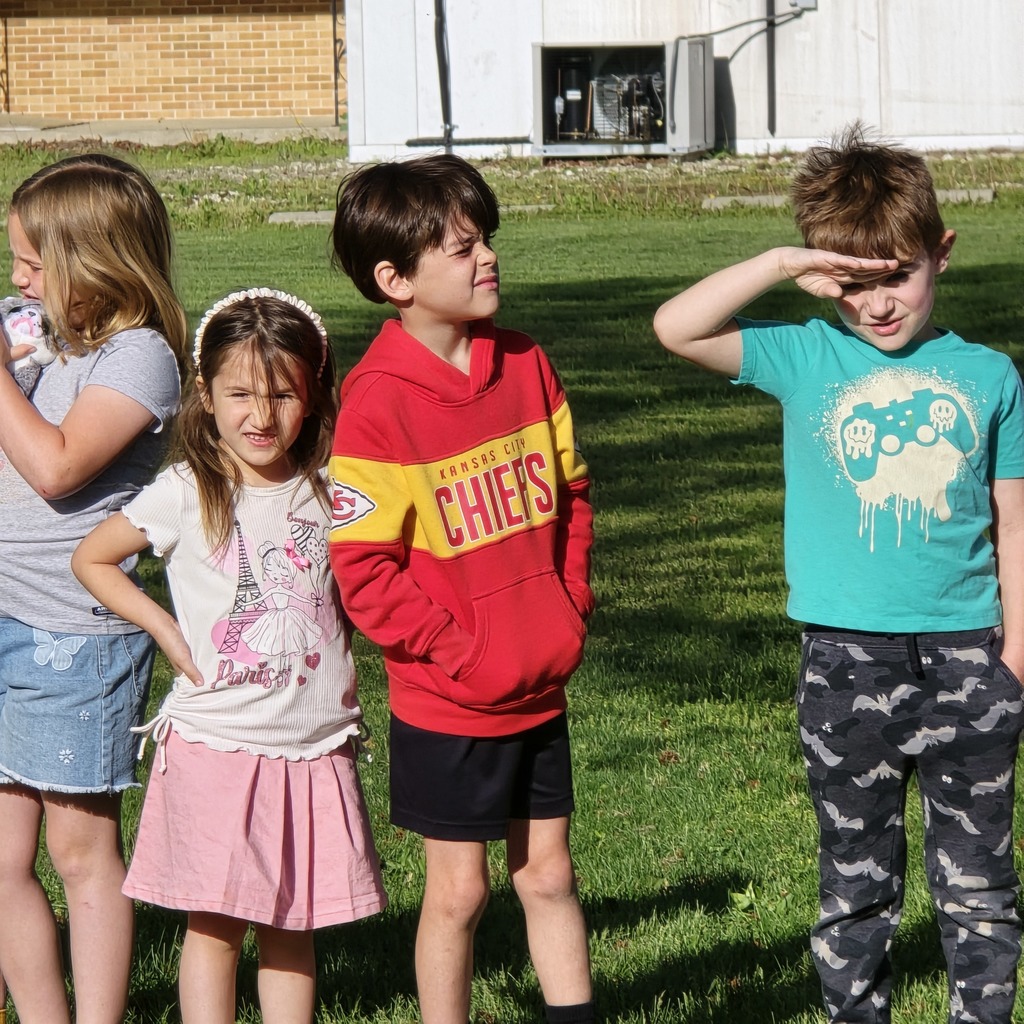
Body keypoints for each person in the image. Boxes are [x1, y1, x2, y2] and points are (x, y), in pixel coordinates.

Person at [653, 123, 1024, 1024]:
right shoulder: (804, 356)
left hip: (972, 661)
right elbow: (675, 326)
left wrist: (1019, 654)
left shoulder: (990, 377)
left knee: (979, 886)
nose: (879, 305)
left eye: (898, 275)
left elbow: (1015, 522)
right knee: (855, 880)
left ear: (942, 252)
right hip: (845, 662)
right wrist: (784, 260)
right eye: (855, 285)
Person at [329, 154, 596, 1024]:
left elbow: (575, 495)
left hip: (539, 682)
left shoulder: (526, 362)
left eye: (486, 241)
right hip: (450, 701)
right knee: (459, 895)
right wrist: (463, 652)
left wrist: (569, 604)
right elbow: (365, 573)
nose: (487, 258)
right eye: (461, 247)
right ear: (394, 279)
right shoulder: (376, 402)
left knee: (549, 875)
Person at [72, 288, 386, 1024]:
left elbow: (392, 557)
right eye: (240, 393)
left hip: (313, 748)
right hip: (217, 747)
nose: (261, 414)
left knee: (291, 928)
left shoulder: (334, 490)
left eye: (283, 393)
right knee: (213, 927)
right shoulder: (186, 491)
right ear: (205, 397)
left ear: (312, 396)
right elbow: (94, 558)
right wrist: (165, 630)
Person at [0, 153, 187, 1024]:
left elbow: (55, 466)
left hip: (75, 635)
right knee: (3, 855)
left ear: (94, 263)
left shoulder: (140, 358)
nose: (17, 280)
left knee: (80, 851)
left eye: (34, 266)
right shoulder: (44, 343)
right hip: (3, 616)